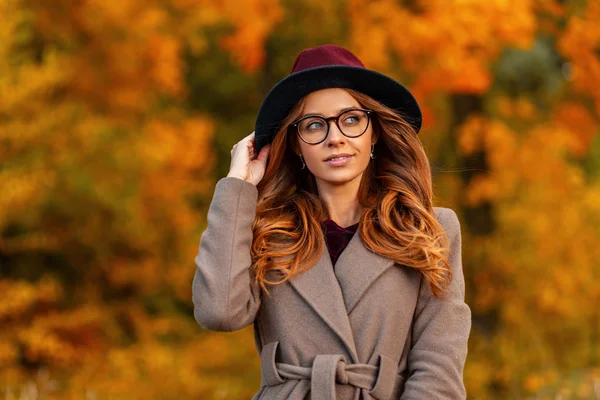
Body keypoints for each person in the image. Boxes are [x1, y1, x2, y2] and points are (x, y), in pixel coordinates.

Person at [192, 44, 471, 400]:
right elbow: (218, 313)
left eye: (351, 119)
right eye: (313, 125)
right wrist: (237, 186)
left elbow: (439, 370)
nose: (334, 137)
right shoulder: (265, 230)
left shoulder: (428, 229)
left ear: (375, 131)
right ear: (296, 144)